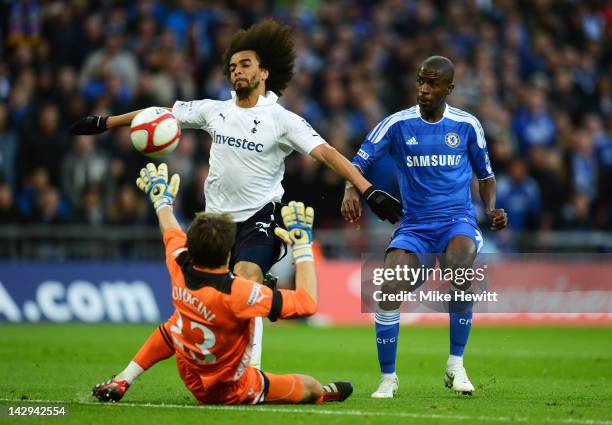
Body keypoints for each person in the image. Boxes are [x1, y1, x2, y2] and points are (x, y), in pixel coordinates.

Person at [73, 20, 399, 401]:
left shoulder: (283, 120)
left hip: (260, 217)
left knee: (248, 281)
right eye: (232, 66)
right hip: (215, 223)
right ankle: (135, 374)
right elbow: (160, 112)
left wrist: (367, 188)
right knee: (197, 303)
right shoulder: (214, 110)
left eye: (245, 64)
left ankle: (251, 371)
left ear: (263, 73)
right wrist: (107, 123)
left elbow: (325, 153)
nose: (237, 71)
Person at [93, 162, 352, 404]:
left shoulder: (180, 264)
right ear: (229, 252)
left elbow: (170, 230)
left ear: (192, 247)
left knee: (177, 325)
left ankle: (123, 379)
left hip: (191, 375)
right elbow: (307, 303)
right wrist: (303, 247)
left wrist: (161, 199)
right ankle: (321, 394)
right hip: (232, 388)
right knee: (309, 387)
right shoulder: (240, 292)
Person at [342, 56, 508, 398]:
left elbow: (486, 175)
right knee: (389, 288)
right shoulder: (396, 124)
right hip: (414, 226)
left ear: (448, 88)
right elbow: (357, 162)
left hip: (456, 221)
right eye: (420, 81)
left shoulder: (467, 125)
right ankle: (388, 378)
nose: (423, 89)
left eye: (432, 83)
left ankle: (455, 364)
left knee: (459, 268)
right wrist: (350, 190)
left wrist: (490, 209)